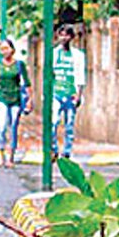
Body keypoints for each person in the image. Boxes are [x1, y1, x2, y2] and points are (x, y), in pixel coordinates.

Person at [0, 38, 30, 168]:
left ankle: (11, 157)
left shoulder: (19, 65)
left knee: (13, 127)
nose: (4, 52)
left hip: (15, 99)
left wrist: (29, 100)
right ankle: (1, 155)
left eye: (6, 48)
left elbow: (27, 83)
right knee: (1, 127)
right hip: (2, 99)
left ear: (12, 50)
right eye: (2, 49)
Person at [51, 24, 86, 159]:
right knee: (53, 122)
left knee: (69, 125)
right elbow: (50, 74)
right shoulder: (54, 54)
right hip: (56, 92)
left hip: (70, 94)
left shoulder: (78, 56)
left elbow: (80, 76)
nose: (63, 38)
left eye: (66, 35)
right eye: (61, 35)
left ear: (71, 37)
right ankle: (54, 148)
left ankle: (66, 152)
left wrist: (78, 94)